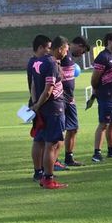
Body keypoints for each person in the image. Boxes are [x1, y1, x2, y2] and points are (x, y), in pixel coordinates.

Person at [30, 36, 69, 189]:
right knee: (51, 145)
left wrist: (35, 104)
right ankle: (48, 179)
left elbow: (33, 84)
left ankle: (41, 174)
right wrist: (39, 103)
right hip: (53, 109)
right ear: (60, 49)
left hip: (43, 108)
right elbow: (48, 90)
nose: (66, 54)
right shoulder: (52, 63)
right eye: (65, 50)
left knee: (42, 142)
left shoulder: (38, 61)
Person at [91, 32, 112, 163]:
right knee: (103, 124)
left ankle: (111, 150)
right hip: (106, 97)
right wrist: (96, 90)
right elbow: (95, 78)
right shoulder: (103, 57)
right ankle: (97, 153)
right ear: (109, 42)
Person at [59, 36, 91, 167]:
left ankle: (69, 158)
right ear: (78, 45)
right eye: (82, 51)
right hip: (60, 98)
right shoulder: (62, 55)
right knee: (57, 131)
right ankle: (53, 161)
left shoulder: (71, 58)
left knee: (73, 128)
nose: (81, 55)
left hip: (70, 99)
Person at [28, 35, 51, 182]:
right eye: (48, 47)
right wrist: (36, 104)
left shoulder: (35, 61)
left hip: (39, 104)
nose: (49, 51)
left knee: (41, 139)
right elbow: (33, 85)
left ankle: (40, 170)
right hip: (40, 104)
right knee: (40, 140)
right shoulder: (35, 63)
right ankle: (40, 171)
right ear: (41, 47)